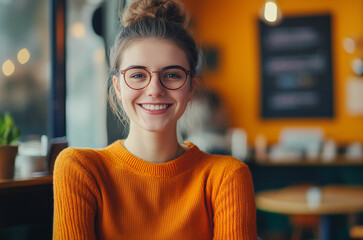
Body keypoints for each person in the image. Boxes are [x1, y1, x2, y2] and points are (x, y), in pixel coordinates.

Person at [52, 0, 257, 239]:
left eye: (171, 75)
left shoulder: (227, 177)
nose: (155, 90)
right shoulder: (80, 169)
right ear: (118, 87)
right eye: (138, 75)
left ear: (191, 87)